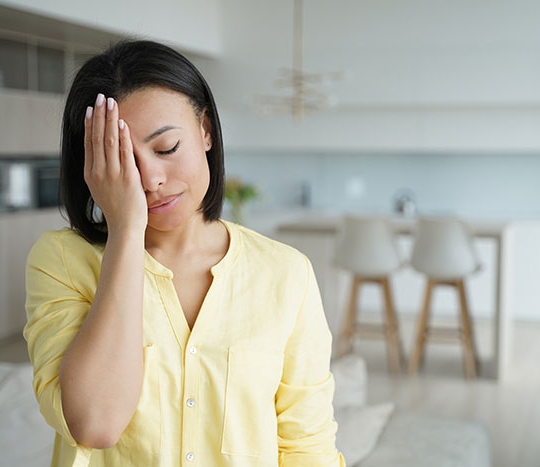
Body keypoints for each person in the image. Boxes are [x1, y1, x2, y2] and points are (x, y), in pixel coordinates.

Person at [23, 39, 345, 467]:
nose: (152, 179)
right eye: (125, 164)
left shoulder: (287, 274)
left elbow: (308, 448)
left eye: (166, 149)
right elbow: (95, 425)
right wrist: (125, 230)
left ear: (206, 130)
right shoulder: (61, 260)